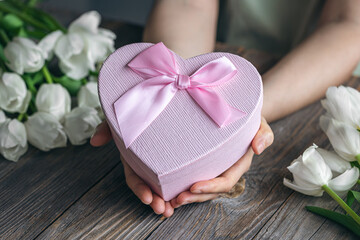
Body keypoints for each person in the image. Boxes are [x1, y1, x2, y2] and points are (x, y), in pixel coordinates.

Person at [90, 0, 360, 217]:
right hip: (222, 60)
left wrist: (247, 122)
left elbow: (349, 24)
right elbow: (189, 4)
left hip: (322, 82)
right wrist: (166, 112)